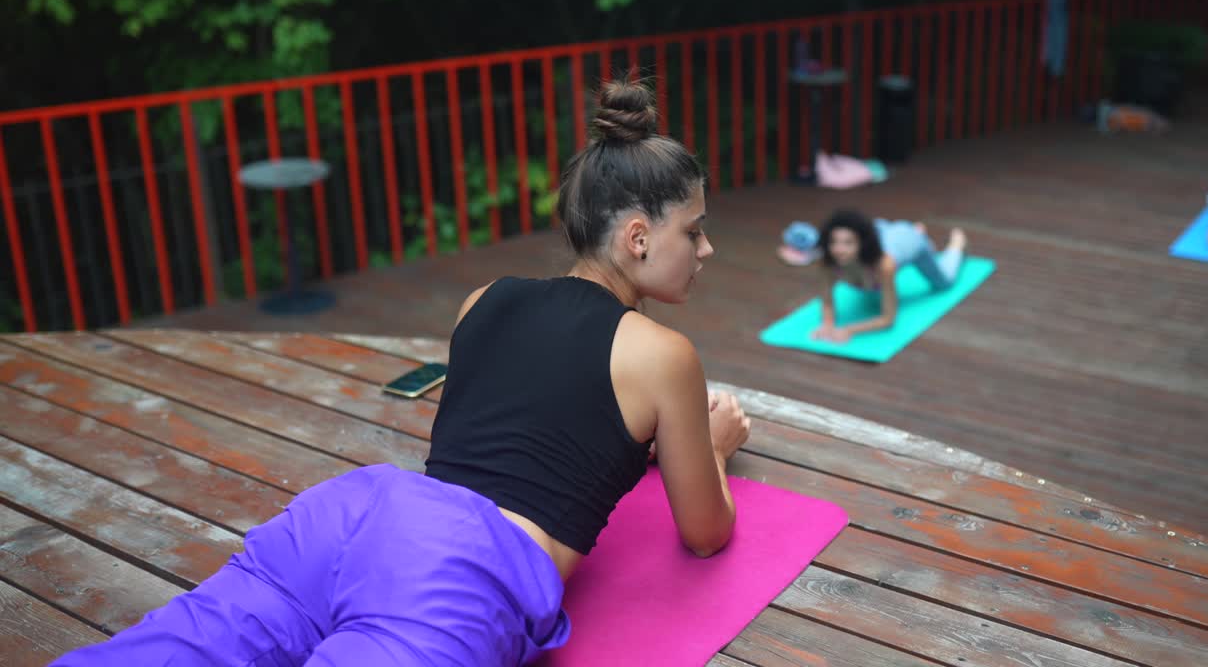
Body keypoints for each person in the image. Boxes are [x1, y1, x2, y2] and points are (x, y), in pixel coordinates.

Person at [51, 78, 751, 667]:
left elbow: (538, 413)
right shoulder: (663, 355)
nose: (707, 248)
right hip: (455, 570)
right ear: (637, 237)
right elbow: (704, 531)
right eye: (693, 229)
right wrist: (713, 448)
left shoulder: (485, 301)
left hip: (351, 515)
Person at [812, 209, 967, 343]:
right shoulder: (827, 262)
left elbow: (888, 319)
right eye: (834, 242)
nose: (839, 249)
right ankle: (916, 229)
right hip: (882, 230)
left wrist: (848, 330)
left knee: (945, 283)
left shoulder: (885, 265)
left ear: (862, 244)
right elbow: (826, 301)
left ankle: (955, 244)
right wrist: (827, 325)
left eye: (848, 243)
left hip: (910, 240)